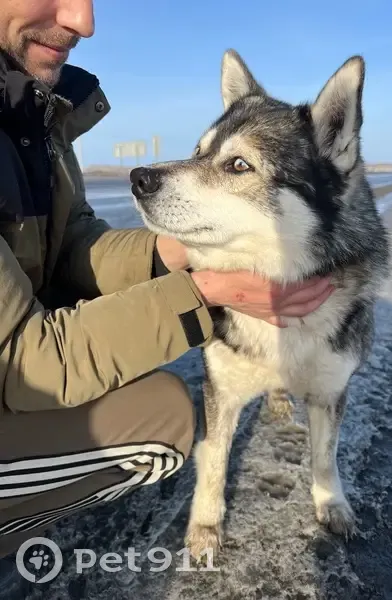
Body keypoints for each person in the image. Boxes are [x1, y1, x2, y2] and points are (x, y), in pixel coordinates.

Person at [0, 0, 335, 587]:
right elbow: (22, 360)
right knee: (164, 419)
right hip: (16, 365)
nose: (83, 22)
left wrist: (173, 252)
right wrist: (206, 294)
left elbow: (70, 246)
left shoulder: (35, 112)